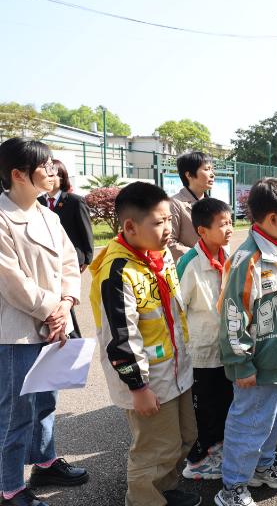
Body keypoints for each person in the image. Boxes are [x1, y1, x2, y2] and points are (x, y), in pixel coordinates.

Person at [89, 181, 198, 506]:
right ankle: (144, 500)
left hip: (176, 370)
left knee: (183, 438)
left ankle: (165, 489)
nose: (167, 229)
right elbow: (119, 338)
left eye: (168, 220)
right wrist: (138, 387)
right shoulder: (117, 272)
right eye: (158, 222)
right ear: (130, 227)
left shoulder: (159, 255)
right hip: (147, 380)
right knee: (154, 449)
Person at [0, 138, 87, 506]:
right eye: (45, 166)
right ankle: (9, 486)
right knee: (16, 410)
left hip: (54, 323)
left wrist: (66, 303)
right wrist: (54, 310)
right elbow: (11, 281)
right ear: (19, 174)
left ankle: (45, 461)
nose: (54, 171)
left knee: (47, 399)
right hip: (16, 330)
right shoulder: (2, 217)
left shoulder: (47, 214)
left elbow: (70, 263)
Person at [214, 178, 277, 506]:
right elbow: (232, 315)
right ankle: (232, 487)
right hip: (256, 363)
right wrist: (241, 363)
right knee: (248, 423)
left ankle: (262, 466)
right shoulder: (247, 259)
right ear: (271, 218)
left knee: (272, 419)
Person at [176, 197, 234, 481]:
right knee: (204, 408)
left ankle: (216, 450)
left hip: (223, 348)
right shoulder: (190, 263)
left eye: (231, 222)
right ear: (201, 231)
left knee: (223, 402)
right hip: (199, 352)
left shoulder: (226, 255)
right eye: (223, 224)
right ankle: (197, 461)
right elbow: (177, 308)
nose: (230, 229)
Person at [39, 160, 93, 338]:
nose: (52, 178)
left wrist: (87, 257)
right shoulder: (38, 202)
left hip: (70, 257)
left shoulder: (75, 201)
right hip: (47, 259)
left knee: (65, 297)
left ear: (63, 178)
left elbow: (86, 230)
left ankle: (71, 334)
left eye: (56, 174)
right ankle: (66, 332)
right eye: (49, 173)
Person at [169, 151, 215, 261]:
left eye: (211, 169)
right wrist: (199, 255)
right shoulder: (175, 203)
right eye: (206, 169)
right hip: (189, 272)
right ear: (189, 175)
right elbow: (169, 242)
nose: (212, 174)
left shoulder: (213, 204)